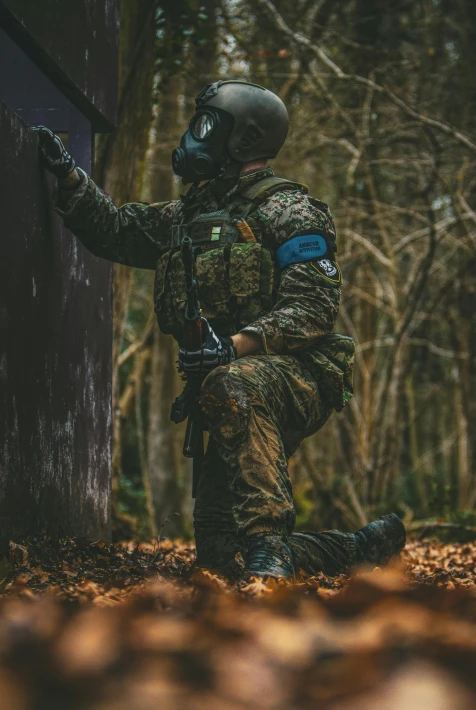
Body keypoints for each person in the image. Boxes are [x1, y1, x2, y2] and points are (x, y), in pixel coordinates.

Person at [33, 80, 406, 580]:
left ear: (244, 139)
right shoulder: (191, 215)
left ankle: (270, 548)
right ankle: (355, 550)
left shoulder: (290, 211)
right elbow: (118, 230)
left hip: (298, 376)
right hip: (224, 389)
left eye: (207, 125)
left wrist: (232, 348)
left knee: (233, 382)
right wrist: (70, 179)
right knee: (219, 557)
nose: (193, 137)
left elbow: (312, 311)